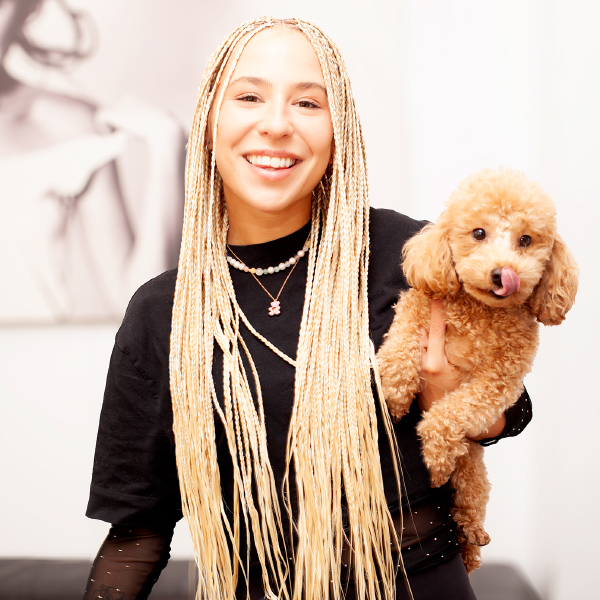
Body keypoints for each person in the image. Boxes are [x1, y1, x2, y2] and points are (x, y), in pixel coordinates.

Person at [84, 17, 531, 600]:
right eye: (249, 97)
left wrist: (453, 399)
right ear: (210, 122)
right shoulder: (161, 312)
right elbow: (137, 530)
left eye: (307, 103)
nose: (277, 124)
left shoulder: (411, 253)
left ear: (337, 131)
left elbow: (512, 406)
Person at [0, 0, 184, 323]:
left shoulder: (67, 126)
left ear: (26, 9)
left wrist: (167, 153)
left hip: (32, 355)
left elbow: (136, 309)